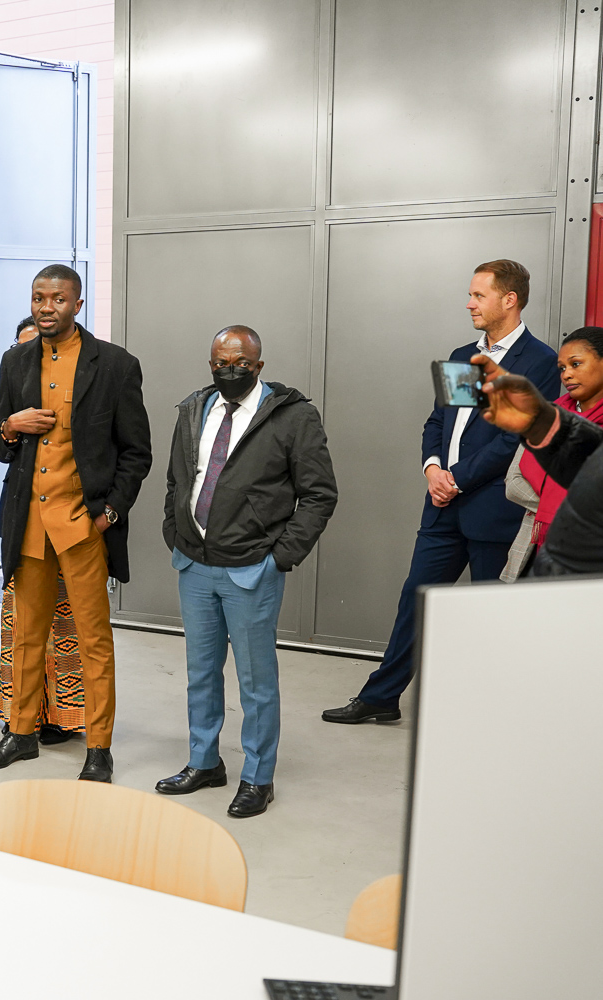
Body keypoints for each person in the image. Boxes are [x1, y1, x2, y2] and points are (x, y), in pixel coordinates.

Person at [324, 260, 560, 724]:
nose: (469, 303)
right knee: (415, 600)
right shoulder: (463, 355)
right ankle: (381, 697)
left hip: (493, 510)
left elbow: (516, 439)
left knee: (490, 616)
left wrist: (457, 478)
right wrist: (433, 468)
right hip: (441, 506)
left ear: (509, 299)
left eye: (478, 295)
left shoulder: (540, 362)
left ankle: (492, 713)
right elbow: (440, 421)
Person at [157, 327, 337, 818]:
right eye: (220, 363)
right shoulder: (194, 409)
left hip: (252, 568)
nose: (228, 371)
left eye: (239, 363)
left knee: (256, 682)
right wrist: (175, 529)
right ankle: (204, 762)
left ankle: (258, 777)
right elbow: (178, 478)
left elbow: (320, 494)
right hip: (195, 564)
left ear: (258, 365)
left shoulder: (292, 416)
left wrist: (281, 556)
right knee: (200, 674)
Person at [0, 264, 152, 782]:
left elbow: (136, 452)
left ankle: (99, 748)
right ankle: (21, 734)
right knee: (26, 635)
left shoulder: (116, 365)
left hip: (83, 525)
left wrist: (110, 512)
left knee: (94, 639)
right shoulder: (14, 361)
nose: (46, 307)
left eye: (57, 298)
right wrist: (10, 426)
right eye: (39, 297)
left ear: (77, 304)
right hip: (29, 523)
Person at [0, 316, 86, 743]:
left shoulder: (81, 383)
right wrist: (11, 426)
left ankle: (63, 716)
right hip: (22, 521)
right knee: (21, 626)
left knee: (66, 625)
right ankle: (20, 714)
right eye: (22, 345)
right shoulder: (12, 379)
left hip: (70, 522)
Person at [478, 353, 603, 576]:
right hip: (539, 553)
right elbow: (514, 483)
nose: (567, 374)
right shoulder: (559, 411)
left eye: (576, 364)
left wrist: (570, 508)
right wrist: (539, 418)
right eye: (562, 368)